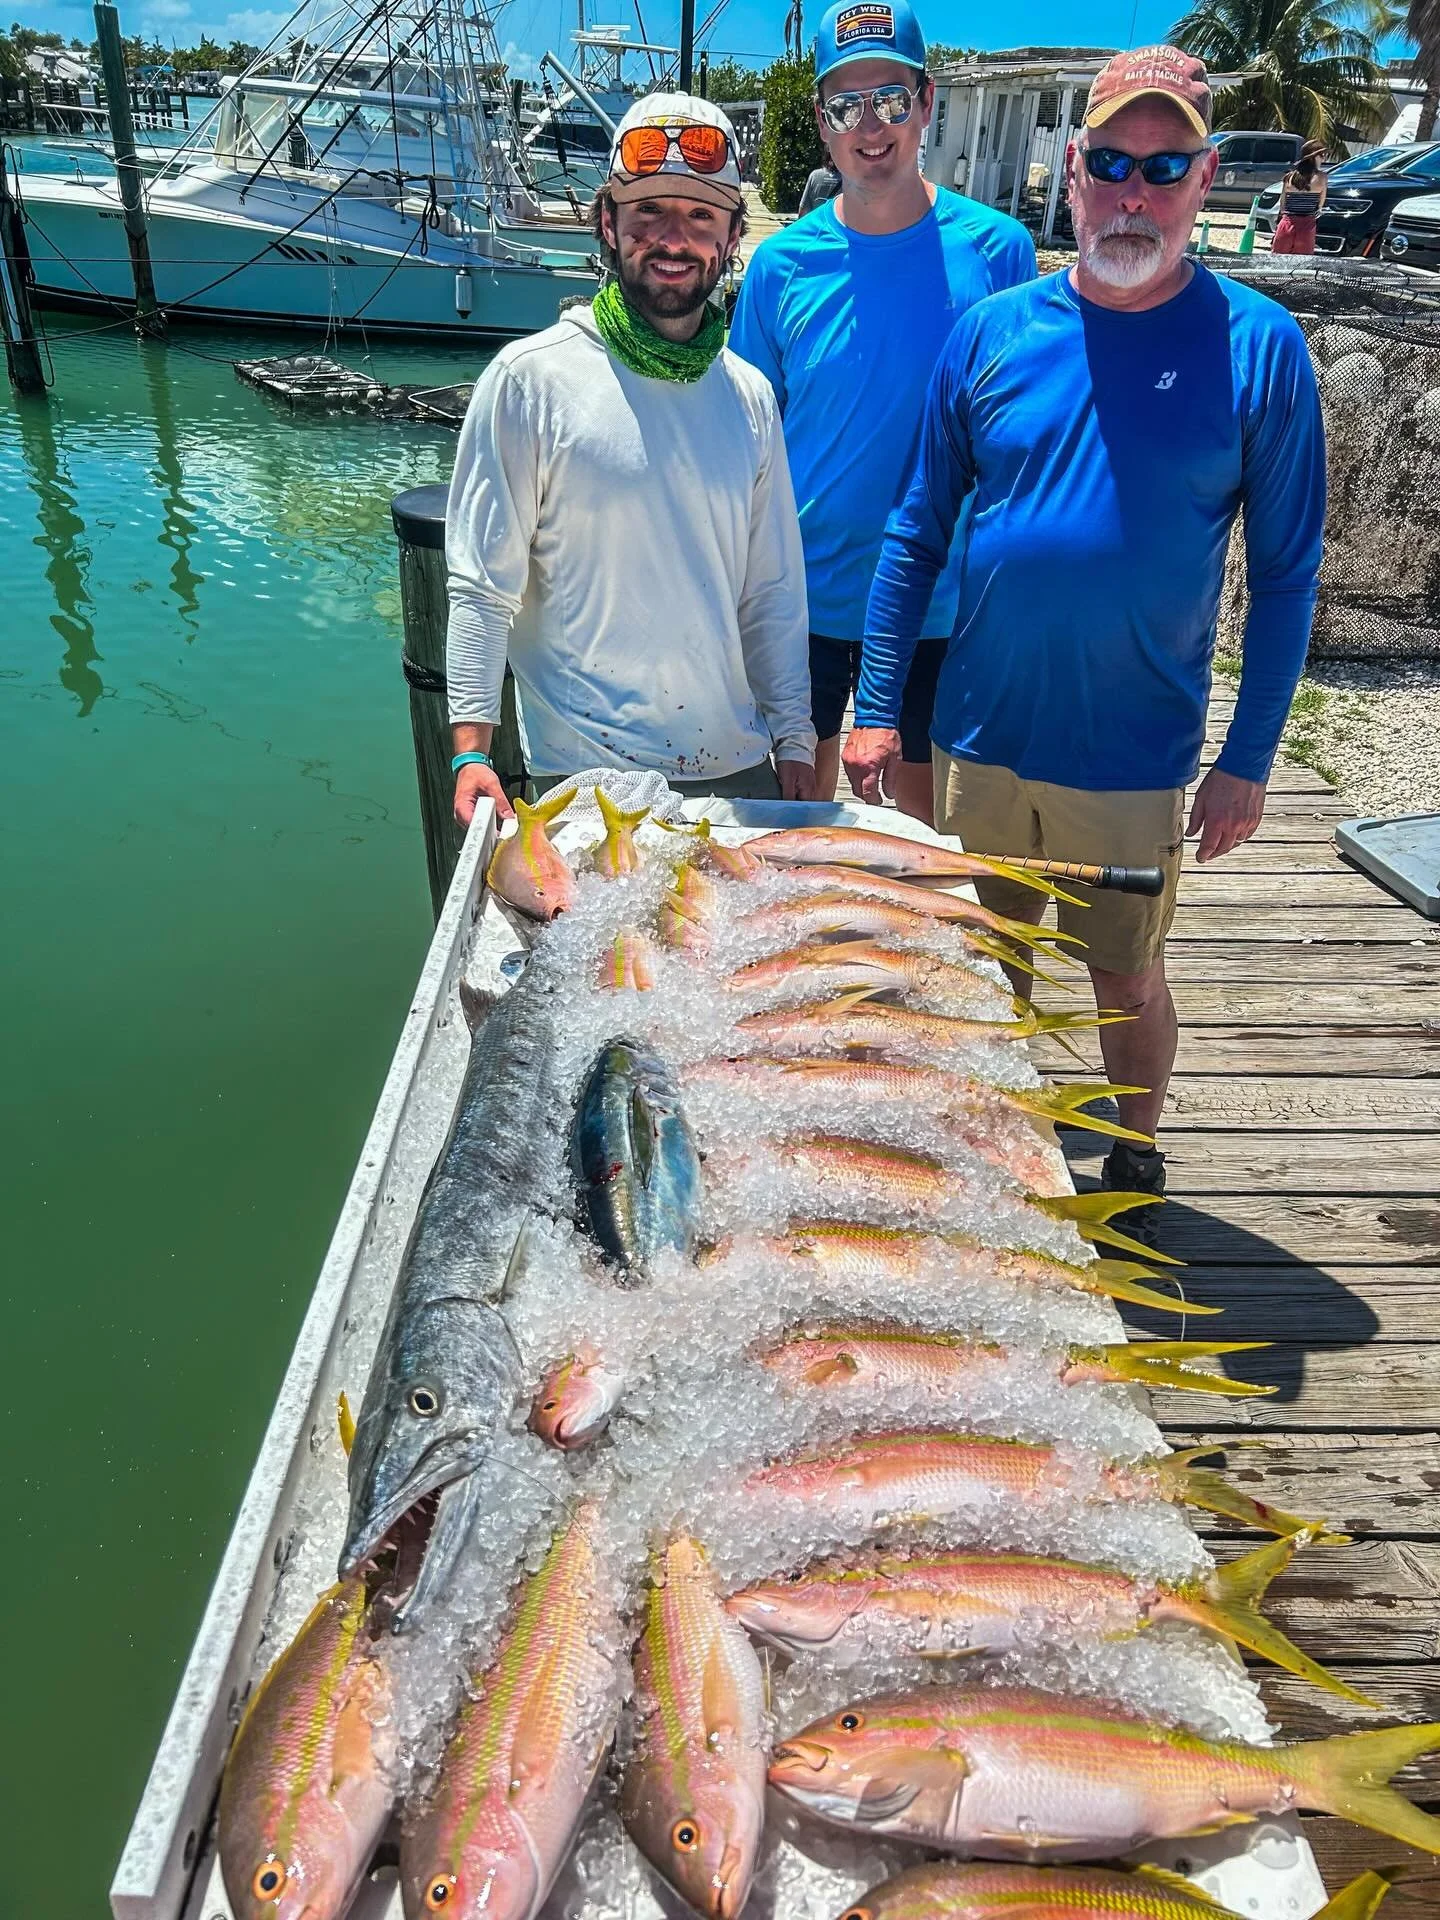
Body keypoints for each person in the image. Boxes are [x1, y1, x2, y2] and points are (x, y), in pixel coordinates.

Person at [843, 45, 1325, 1214]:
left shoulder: (1261, 347)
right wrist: (871, 708)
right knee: (981, 965)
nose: (1134, 193)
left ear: (1207, 180)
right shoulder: (992, 332)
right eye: (1111, 162)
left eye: (1164, 168)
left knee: (1125, 973)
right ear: (1072, 171)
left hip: (1135, 757)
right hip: (979, 740)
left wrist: (1249, 761)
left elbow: (1289, 574)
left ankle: (1137, 1147)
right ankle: (988, 1152)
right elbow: (915, 534)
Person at [445, 93, 817, 824]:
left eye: (702, 216)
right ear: (607, 224)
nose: (674, 238)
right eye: (649, 212)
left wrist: (797, 738)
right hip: (588, 785)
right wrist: (471, 753)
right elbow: (482, 587)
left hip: (741, 777)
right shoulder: (529, 380)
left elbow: (770, 593)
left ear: (733, 235)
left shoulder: (749, 397)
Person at [728, 0, 1035, 824]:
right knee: (797, 821)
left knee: (913, 835)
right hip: (808, 599)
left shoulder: (1000, 250)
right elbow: (746, 440)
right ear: (823, 124)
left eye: (891, 100)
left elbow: (1017, 434)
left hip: (943, 602)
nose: (871, 125)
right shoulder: (779, 267)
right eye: (846, 104)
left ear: (927, 104)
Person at [1272, 138, 1327, 255]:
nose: (1324, 158)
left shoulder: (1289, 177)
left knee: (1278, 261)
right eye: (1321, 155)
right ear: (1314, 157)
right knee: (1302, 264)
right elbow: (1320, 205)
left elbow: (1282, 205)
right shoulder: (1322, 178)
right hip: (1307, 226)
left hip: (1286, 224)